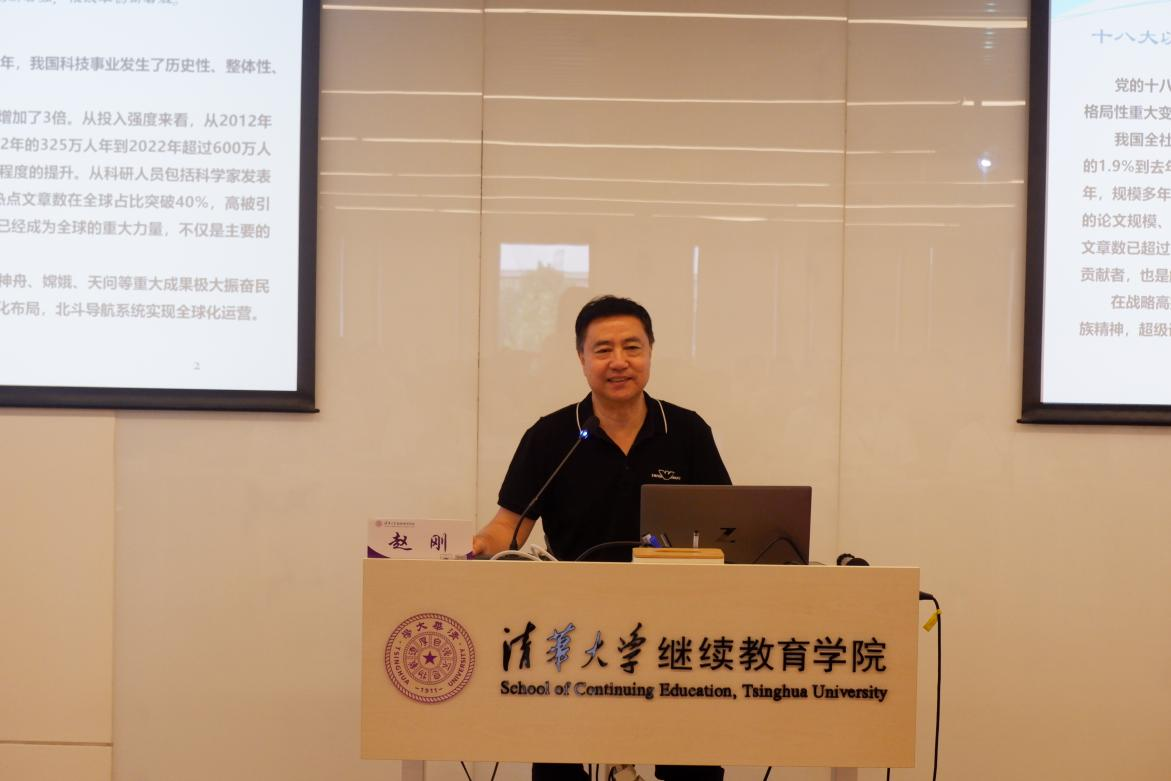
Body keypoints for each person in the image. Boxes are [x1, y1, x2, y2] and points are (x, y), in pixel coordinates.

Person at [472, 294, 730, 781]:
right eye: (603, 349)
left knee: (690, 758)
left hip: (677, 620)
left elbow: (726, 529)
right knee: (560, 759)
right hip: (573, 620)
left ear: (650, 352)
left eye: (632, 347)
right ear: (581, 358)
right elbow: (510, 526)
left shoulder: (687, 431)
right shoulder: (553, 436)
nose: (619, 362)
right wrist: (481, 546)